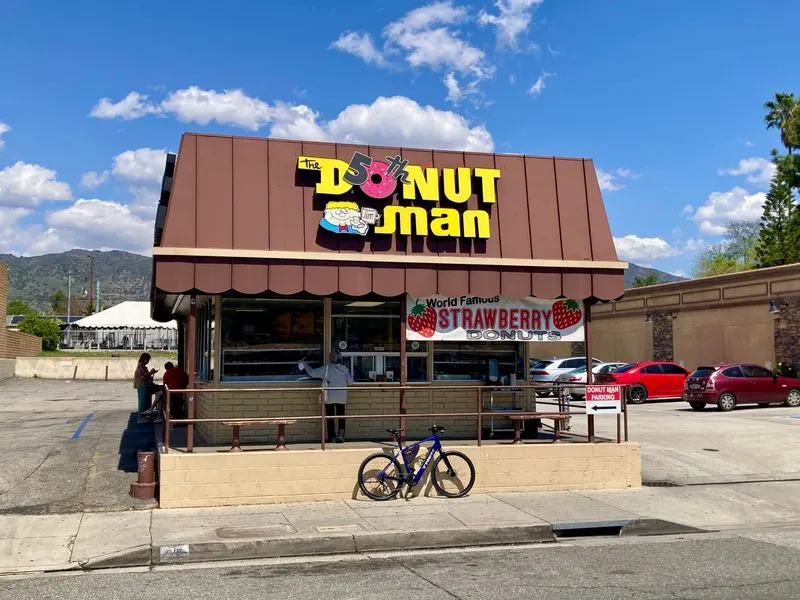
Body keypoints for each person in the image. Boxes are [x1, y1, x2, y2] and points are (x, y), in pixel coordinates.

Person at [299, 351, 353, 443]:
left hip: (329, 396)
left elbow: (312, 373)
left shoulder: (327, 368)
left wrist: (304, 364)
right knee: (341, 416)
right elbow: (350, 382)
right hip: (341, 396)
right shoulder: (345, 369)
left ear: (330, 358)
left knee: (329, 417)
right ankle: (341, 435)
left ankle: (332, 437)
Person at [133, 353, 158, 422]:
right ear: (145, 359)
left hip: (145, 386)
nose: (148, 361)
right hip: (142, 386)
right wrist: (150, 373)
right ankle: (141, 418)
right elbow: (142, 376)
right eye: (148, 360)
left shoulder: (142, 366)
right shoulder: (141, 366)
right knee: (142, 403)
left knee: (146, 402)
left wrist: (151, 373)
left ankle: (145, 416)